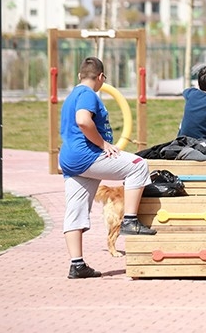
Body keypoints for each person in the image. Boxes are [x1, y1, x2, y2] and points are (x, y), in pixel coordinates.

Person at [59, 57, 156, 279]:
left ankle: (77, 264)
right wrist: (103, 144)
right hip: (87, 155)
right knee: (138, 165)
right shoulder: (87, 95)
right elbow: (83, 120)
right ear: (101, 77)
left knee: (74, 210)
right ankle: (130, 220)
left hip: (69, 160)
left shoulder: (72, 95)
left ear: (79, 75)